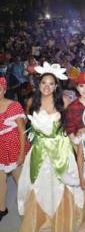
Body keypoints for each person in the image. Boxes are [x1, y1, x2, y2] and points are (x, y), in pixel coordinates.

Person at [17, 62, 83, 232]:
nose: (47, 86)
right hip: (39, 150)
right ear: (38, 84)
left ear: (56, 86)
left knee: (59, 185)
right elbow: (28, 128)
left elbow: (70, 127)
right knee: (38, 185)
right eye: (44, 83)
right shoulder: (31, 101)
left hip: (60, 150)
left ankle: (60, 219)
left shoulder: (64, 101)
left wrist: (76, 149)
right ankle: (39, 219)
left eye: (51, 83)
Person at [0, 77, 28, 222]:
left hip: (14, 148)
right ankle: (1, 209)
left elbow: (22, 131)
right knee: (0, 181)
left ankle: (26, 212)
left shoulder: (14, 106)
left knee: (21, 182)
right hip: (0, 150)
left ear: (4, 90)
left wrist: (22, 153)